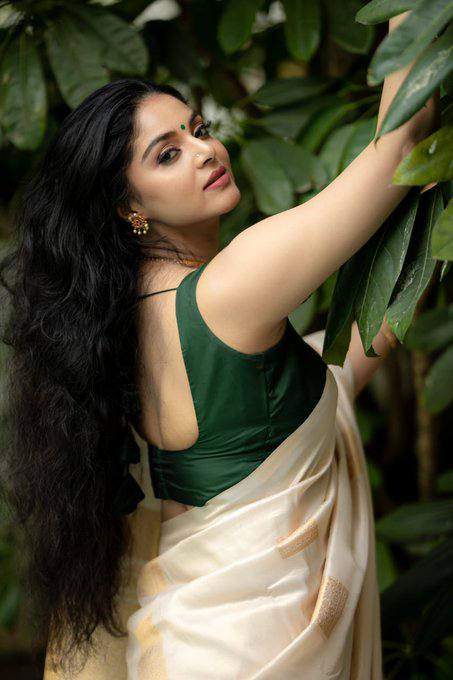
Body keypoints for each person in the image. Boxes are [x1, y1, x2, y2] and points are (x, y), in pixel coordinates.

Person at [0, 9, 438, 680]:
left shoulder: (120, 321)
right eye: (167, 154)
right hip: (253, 650)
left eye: (198, 130)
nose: (205, 151)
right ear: (129, 207)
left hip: (188, 645)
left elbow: (311, 392)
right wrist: (415, 14)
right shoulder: (230, 289)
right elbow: (401, 140)